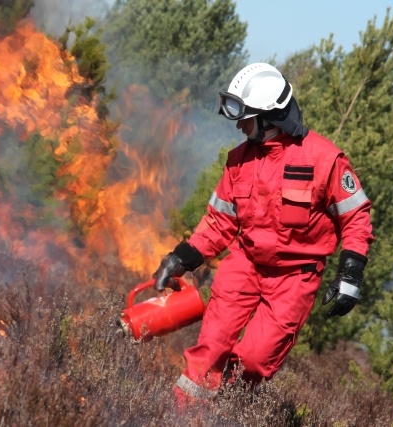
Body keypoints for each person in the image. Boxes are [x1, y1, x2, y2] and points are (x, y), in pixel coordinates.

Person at [152, 63, 374, 403]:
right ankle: (179, 416)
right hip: (245, 263)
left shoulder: (325, 159)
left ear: (271, 117)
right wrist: (182, 257)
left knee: (253, 362)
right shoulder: (238, 160)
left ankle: (226, 414)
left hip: (294, 278)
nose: (240, 125)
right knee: (209, 348)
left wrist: (351, 273)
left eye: (246, 118)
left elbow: (356, 215)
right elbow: (219, 221)